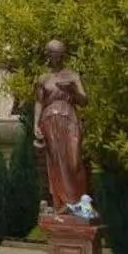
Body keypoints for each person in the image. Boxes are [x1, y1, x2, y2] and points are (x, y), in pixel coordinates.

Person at [34, 38, 90, 216]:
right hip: (50, 121)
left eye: (59, 53)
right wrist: (36, 124)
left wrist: (73, 90)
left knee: (75, 161)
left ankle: (79, 201)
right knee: (57, 162)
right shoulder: (43, 78)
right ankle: (62, 204)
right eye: (52, 53)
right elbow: (38, 102)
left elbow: (84, 101)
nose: (56, 57)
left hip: (70, 119)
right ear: (48, 55)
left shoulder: (73, 76)